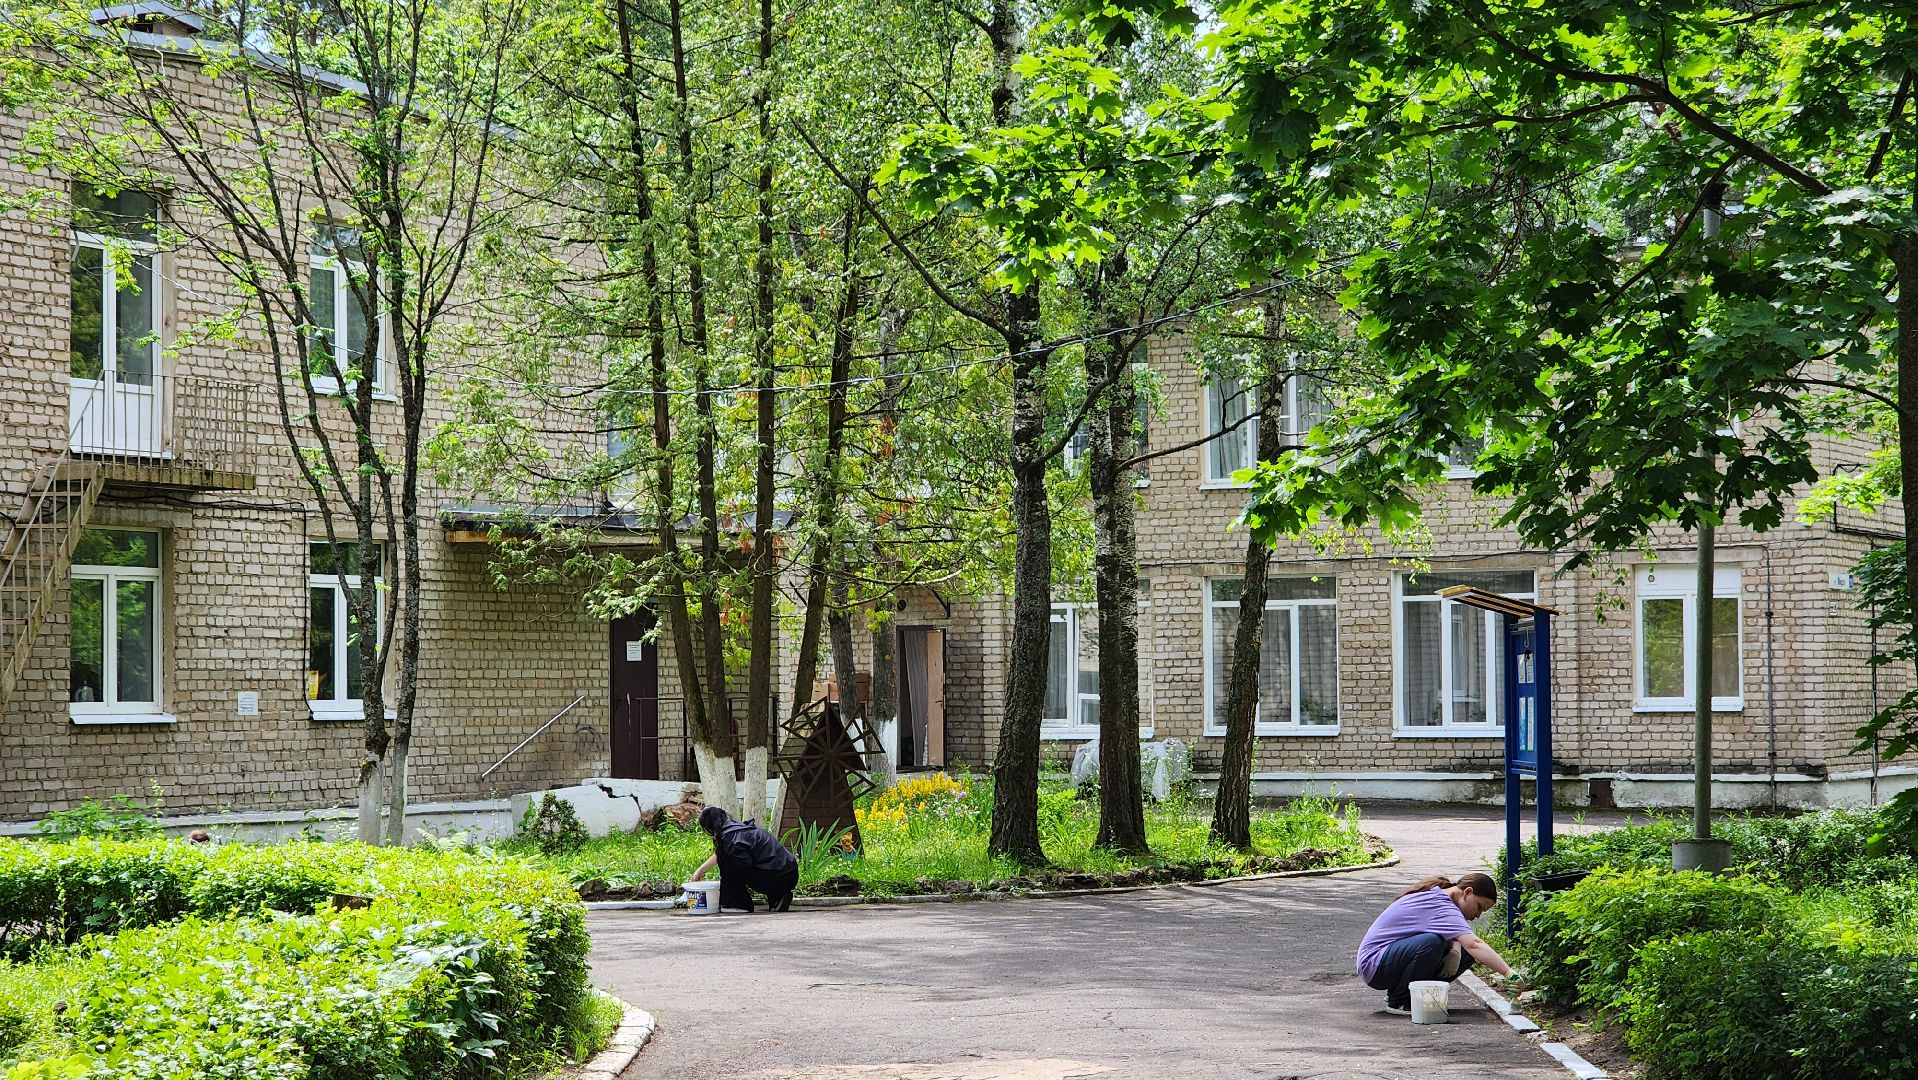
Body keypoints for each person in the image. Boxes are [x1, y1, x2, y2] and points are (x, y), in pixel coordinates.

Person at [1356, 872, 1515, 1015]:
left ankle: (1414, 994)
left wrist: (1456, 951)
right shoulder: (1441, 905)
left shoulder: (1443, 899)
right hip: (1373, 965)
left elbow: (1461, 941)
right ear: (1467, 892)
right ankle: (1401, 1001)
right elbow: (1474, 944)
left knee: (1465, 954)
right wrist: (1508, 973)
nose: (1478, 915)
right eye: (1479, 907)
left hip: (1388, 961)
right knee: (1431, 943)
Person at [688, 806, 799, 913]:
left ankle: (739, 904)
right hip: (790, 873)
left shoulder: (730, 838)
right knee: (745, 860)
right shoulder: (740, 829)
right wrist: (700, 871)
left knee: (728, 865)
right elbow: (721, 854)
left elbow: (736, 862)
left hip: (774, 877)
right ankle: (778, 896)